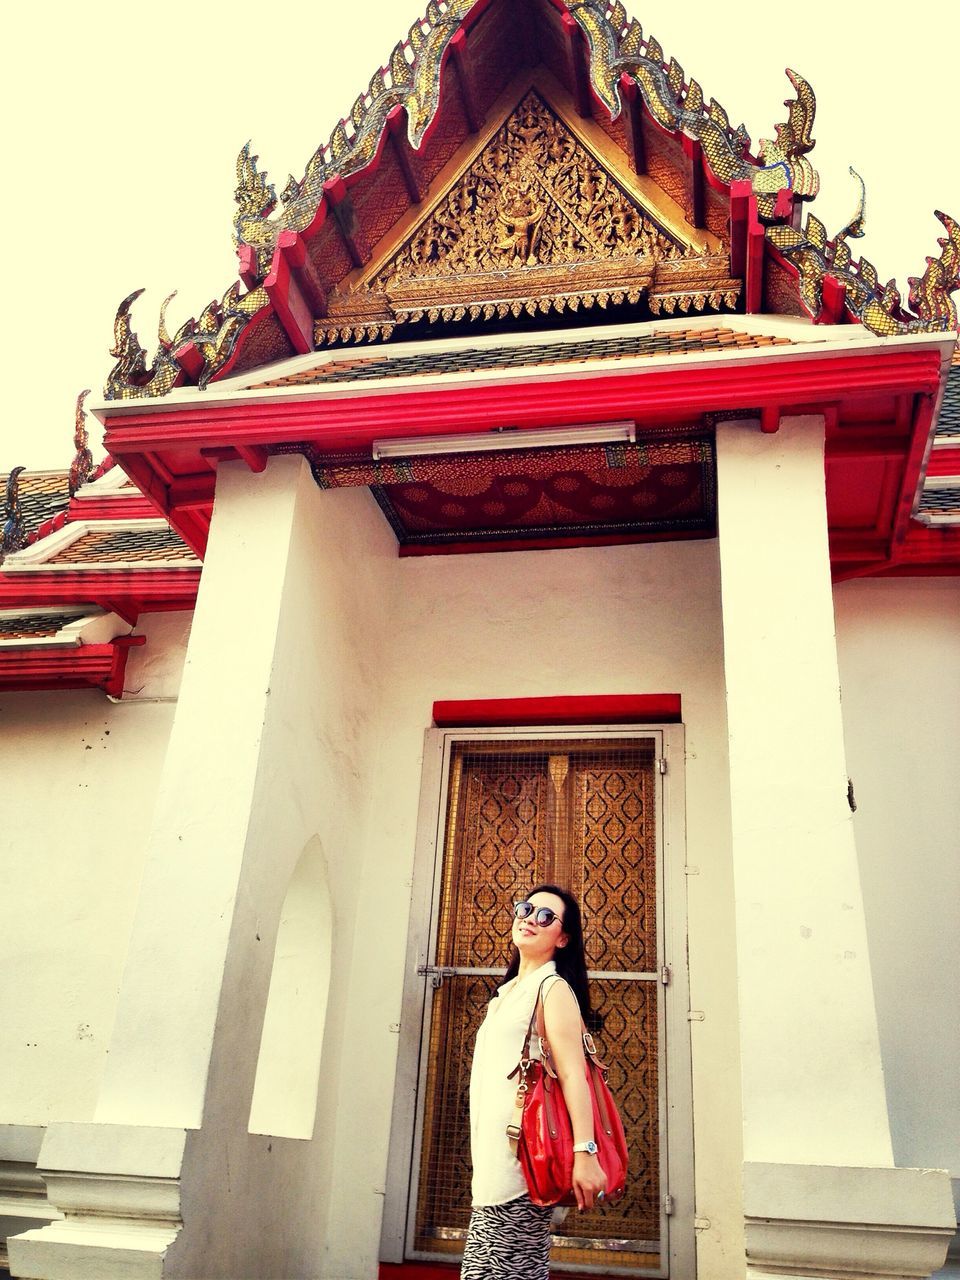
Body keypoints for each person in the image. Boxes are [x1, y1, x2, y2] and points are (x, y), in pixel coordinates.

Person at [461, 884, 607, 1280]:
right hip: (493, 1169)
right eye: (525, 909)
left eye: (545, 915)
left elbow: (574, 1073)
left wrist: (585, 1152)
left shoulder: (552, 989)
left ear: (562, 938)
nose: (528, 918)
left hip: (521, 1169)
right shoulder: (507, 994)